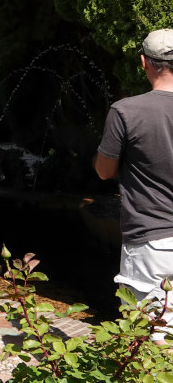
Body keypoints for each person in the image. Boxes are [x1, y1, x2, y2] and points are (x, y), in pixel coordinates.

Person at [95, 28, 173, 343]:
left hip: (150, 241)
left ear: (145, 63)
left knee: (151, 338)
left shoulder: (126, 111)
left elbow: (103, 171)